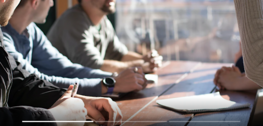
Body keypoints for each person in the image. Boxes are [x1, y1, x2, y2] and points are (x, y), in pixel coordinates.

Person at [0, 0, 122, 126]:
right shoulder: (5, 34)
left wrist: (77, 100)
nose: (52, 4)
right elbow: (90, 62)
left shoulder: (29, 31)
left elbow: (21, 82)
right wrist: (54, 117)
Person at [2, 0, 147, 96]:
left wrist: (113, 78)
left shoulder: (30, 30)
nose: (52, 4)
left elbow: (67, 69)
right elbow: (38, 82)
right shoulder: (3, 41)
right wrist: (110, 84)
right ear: (35, 2)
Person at [47, 0, 163, 74]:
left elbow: (119, 55)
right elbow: (93, 66)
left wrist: (146, 59)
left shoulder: (103, 21)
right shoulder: (73, 20)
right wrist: (140, 66)